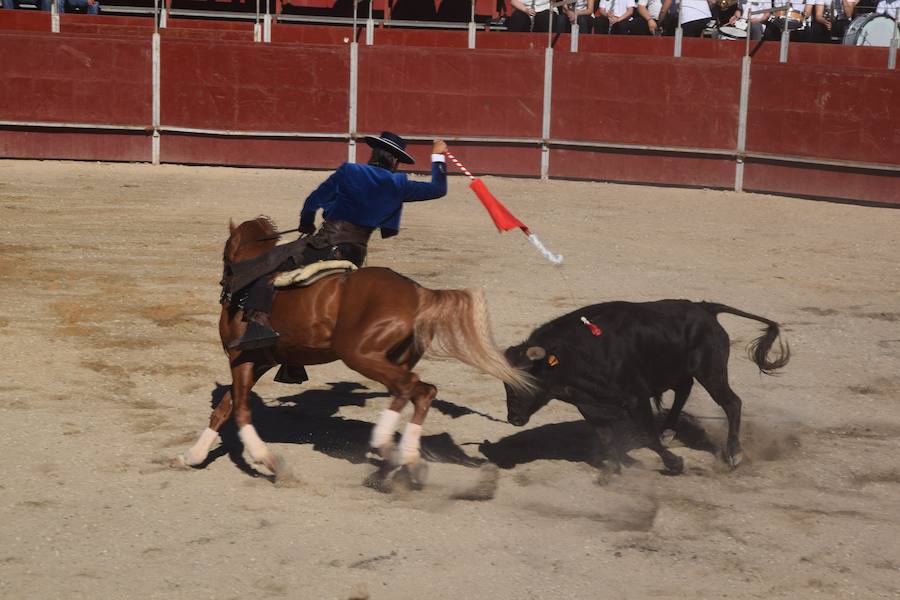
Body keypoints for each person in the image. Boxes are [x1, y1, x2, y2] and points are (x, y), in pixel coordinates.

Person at [225, 132, 449, 351]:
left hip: (326, 244)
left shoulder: (349, 172)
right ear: (396, 161)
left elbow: (312, 202)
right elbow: (438, 189)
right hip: (355, 253)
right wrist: (438, 156)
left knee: (269, 265)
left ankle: (258, 326)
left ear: (374, 153)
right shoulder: (400, 184)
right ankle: (292, 365)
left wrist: (306, 224)